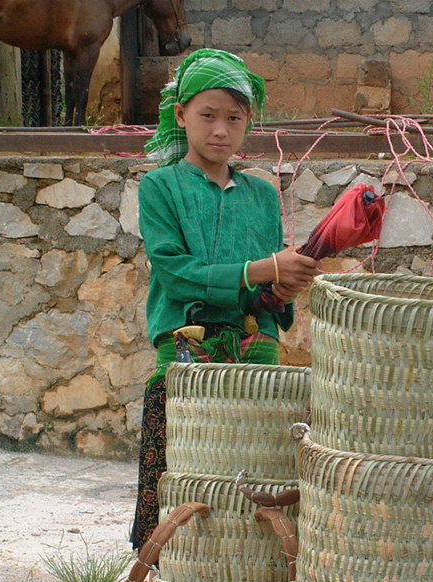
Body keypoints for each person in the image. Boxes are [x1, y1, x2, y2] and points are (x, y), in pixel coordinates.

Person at [130, 48, 320, 554]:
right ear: (180, 115)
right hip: (188, 349)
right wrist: (260, 269)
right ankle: (171, 569)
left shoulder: (260, 196)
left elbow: (268, 295)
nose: (220, 130)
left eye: (234, 118)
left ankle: (246, 569)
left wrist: (281, 289)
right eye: (207, 115)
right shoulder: (160, 187)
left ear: (248, 123)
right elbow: (175, 274)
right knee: (186, 470)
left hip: (254, 349)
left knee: (249, 469)